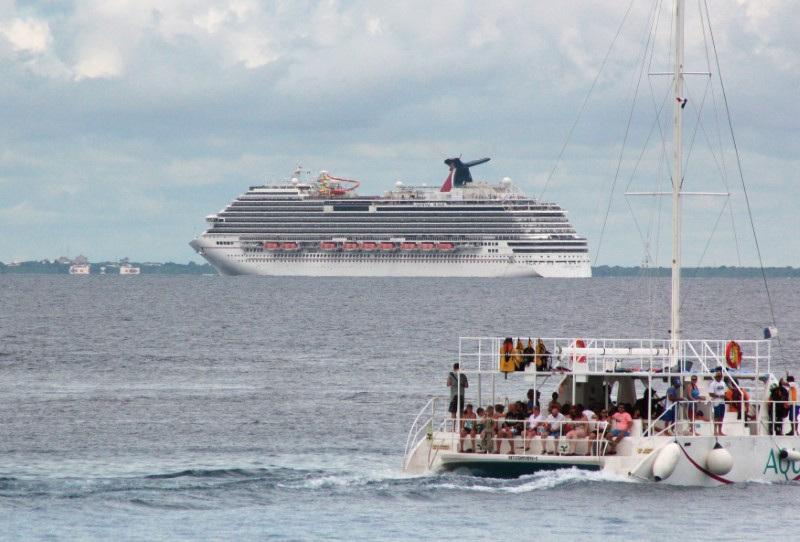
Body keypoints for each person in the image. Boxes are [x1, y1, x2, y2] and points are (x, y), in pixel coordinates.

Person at [708, 369, 727, 436]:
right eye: (718, 376)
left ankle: (720, 431)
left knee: (721, 417)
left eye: (720, 376)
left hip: (722, 402)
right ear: (715, 377)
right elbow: (711, 393)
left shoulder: (723, 383)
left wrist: (724, 396)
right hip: (716, 402)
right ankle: (715, 431)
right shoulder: (713, 384)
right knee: (717, 417)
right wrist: (719, 396)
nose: (719, 378)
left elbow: (725, 392)